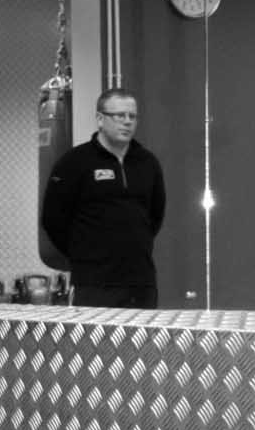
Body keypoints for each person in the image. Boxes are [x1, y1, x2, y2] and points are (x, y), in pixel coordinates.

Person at [41, 86, 168, 308]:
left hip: (141, 282)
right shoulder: (74, 163)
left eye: (132, 116)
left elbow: (155, 216)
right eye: (119, 115)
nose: (127, 122)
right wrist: (84, 255)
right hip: (93, 283)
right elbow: (53, 219)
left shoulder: (148, 163)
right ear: (100, 119)